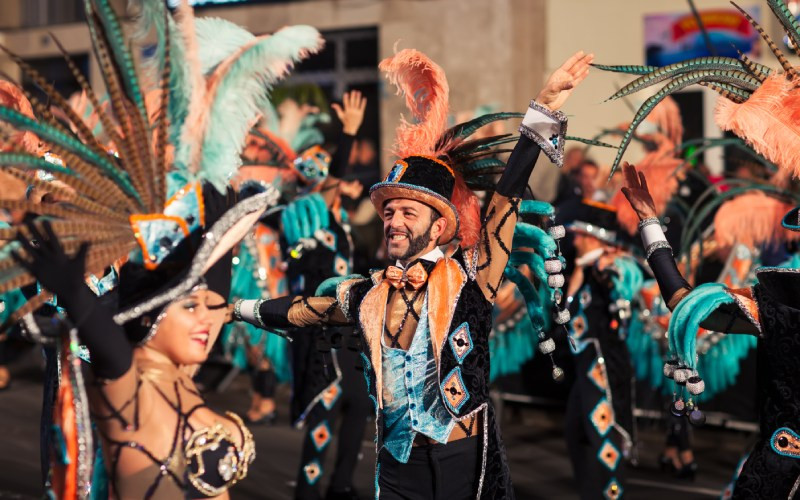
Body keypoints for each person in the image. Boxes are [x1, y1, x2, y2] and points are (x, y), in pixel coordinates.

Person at [232, 48, 593, 498]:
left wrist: (544, 107)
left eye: (407, 211)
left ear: (440, 225)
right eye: (388, 210)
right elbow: (309, 310)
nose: (394, 221)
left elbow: (504, 203)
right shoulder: (368, 294)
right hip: (398, 467)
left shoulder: (471, 278)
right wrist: (236, 308)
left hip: (461, 464)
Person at [561, 200, 640, 500]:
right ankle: (591, 493)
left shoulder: (609, 267)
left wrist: (610, 267)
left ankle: (610, 495)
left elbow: (627, 285)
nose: (576, 240)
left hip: (602, 366)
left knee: (602, 434)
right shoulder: (583, 269)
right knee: (576, 431)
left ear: (596, 239)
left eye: (580, 235)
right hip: (584, 367)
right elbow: (566, 315)